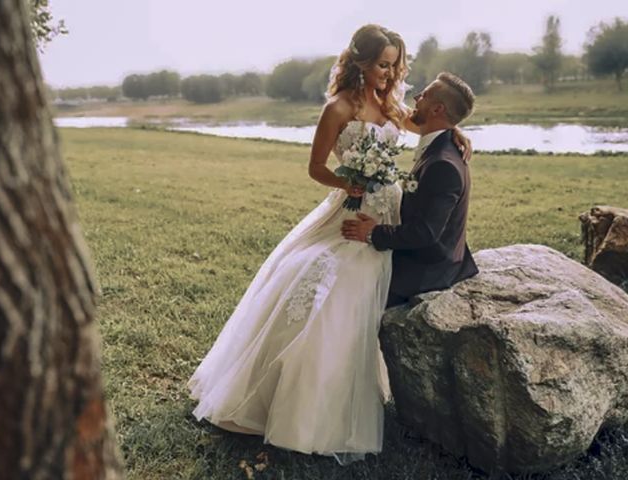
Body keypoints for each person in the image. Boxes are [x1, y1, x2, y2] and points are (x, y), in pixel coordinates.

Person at [188, 25, 471, 464]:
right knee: (324, 286)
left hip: (388, 214)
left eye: (395, 64)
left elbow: (426, 125)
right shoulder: (338, 107)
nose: (390, 72)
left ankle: (352, 391)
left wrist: (457, 134)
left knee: (362, 295)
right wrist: (352, 181)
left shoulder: (389, 103)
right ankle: (288, 406)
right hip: (352, 207)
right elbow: (316, 167)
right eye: (383, 64)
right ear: (360, 62)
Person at [341, 72, 479, 307]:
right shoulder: (442, 145)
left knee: (347, 287)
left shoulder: (443, 164)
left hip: (427, 271)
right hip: (428, 256)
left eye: (423, 95)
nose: (416, 99)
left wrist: (374, 233)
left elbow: (426, 233)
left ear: (437, 110)